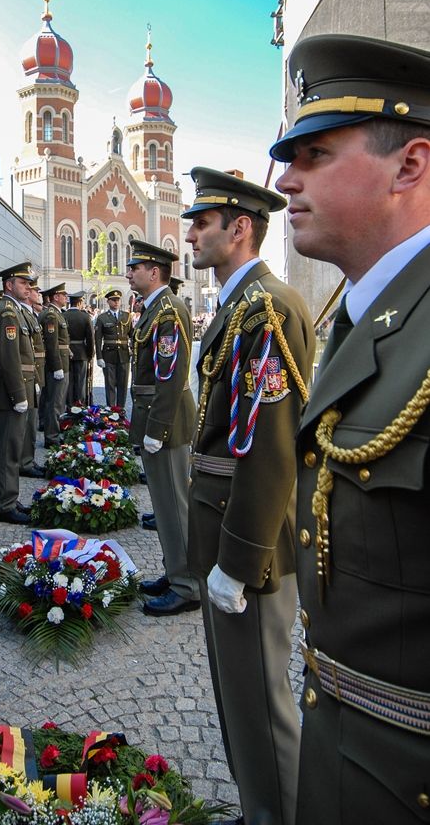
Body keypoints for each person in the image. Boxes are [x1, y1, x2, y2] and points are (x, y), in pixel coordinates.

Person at [270, 33, 430, 825]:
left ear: (410, 166)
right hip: (344, 746)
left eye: (314, 155)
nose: (285, 181)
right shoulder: (361, 311)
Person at [182, 167, 315, 825]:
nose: (190, 234)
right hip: (224, 525)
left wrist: (240, 558)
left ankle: (276, 813)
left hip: (249, 542)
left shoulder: (266, 306)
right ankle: (259, 807)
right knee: (238, 692)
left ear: (238, 229)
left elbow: (271, 447)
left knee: (261, 700)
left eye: (202, 223)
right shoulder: (239, 305)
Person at [126, 241, 200, 617]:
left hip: (165, 418)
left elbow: (170, 377)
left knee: (174, 505)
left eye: (134, 267)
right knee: (165, 504)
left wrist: (156, 428)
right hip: (155, 414)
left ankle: (188, 585)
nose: (128, 272)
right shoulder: (154, 307)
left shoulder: (168, 310)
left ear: (154, 272)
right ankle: (176, 572)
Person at [0, 262, 37, 523]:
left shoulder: (15, 311)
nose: (28, 287)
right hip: (10, 392)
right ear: (9, 285)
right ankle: (4, 504)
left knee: (14, 446)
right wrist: (19, 395)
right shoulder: (7, 312)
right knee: (7, 449)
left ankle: (10, 497)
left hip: (19, 387)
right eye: (23, 283)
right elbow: (9, 359)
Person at [19, 279, 45, 480]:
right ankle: (24, 461)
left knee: (30, 423)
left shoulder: (27, 314)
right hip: (23, 377)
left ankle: (28, 459)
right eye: (33, 289)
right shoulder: (11, 313)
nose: (34, 292)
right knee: (24, 426)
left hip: (32, 375)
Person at [40, 283, 71, 447]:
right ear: (55, 297)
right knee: (55, 402)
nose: (66, 297)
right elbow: (52, 344)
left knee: (57, 401)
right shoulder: (52, 315)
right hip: (58, 363)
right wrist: (57, 366)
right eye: (63, 295)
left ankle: (53, 432)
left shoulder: (57, 314)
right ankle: (52, 436)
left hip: (62, 360)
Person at [95, 289, 132, 407]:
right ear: (108, 302)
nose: (116, 302)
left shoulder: (127, 316)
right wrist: (99, 357)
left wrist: (134, 352)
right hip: (108, 355)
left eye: (118, 300)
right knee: (110, 385)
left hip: (124, 355)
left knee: (123, 385)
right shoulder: (102, 318)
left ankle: (120, 411)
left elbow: (132, 334)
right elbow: (98, 339)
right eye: (113, 300)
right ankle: (111, 411)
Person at [64, 290, 95, 406]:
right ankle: (80, 406)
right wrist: (90, 354)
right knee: (81, 383)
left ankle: (69, 406)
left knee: (69, 382)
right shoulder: (85, 317)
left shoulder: (63, 315)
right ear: (79, 302)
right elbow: (90, 338)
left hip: (66, 352)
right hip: (81, 353)